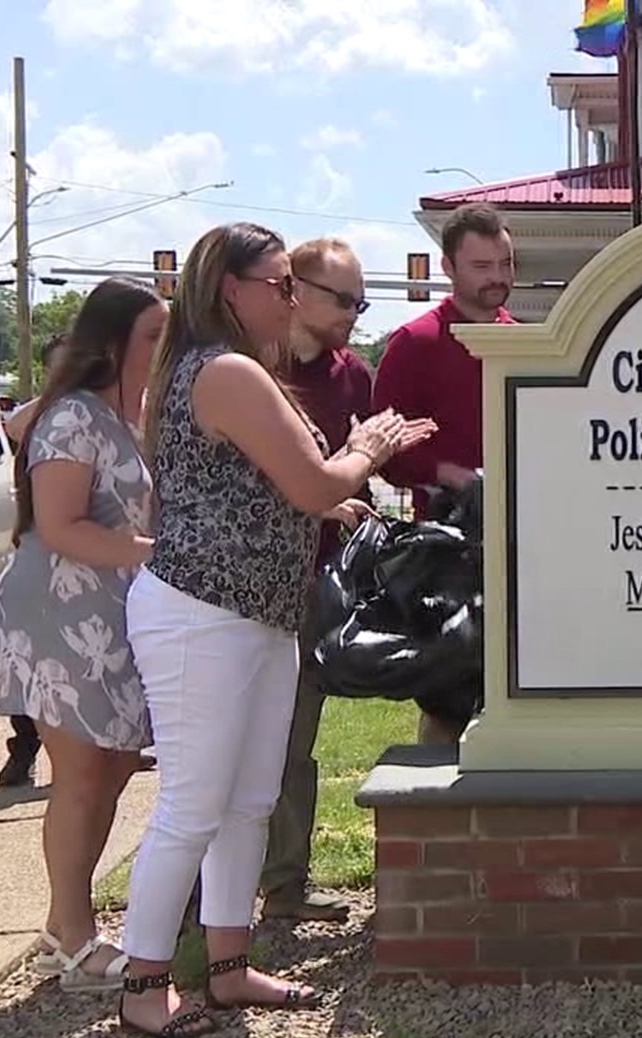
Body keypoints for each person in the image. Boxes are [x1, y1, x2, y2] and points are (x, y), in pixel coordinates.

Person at [117, 221, 434, 1038]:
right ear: (231, 287)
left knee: (248, 802)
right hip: (201, 614)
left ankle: (229, 967)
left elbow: (267, 489)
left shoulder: (234, 372)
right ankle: (145, 985)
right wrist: (366, 447)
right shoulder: (225, 371)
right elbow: (313, 478)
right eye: (279, 283)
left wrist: (331, 491)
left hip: (257, 612)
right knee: (192, 803)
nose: (290, 298)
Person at [0, 278, 167, 991]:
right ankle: (74, 936)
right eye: (154, 335)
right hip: (57, 611)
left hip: (116, 610)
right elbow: (60, 525)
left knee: (118, 766)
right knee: (82, 774)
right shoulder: (72, 418)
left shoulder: (139, 414)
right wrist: (157, 552)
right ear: (114, 342)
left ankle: (66, 924)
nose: (165, 347)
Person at [260, 236, 375, 924]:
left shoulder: (352, 376)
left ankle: (284, 888)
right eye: (343, 299)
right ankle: (195, 905)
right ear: (293, 289)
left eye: (361, 301)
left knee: (296, 739)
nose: (355, 314)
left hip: (315, 579)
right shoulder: (246, 371)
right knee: (228, 743)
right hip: (241, 584)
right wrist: (319, 494)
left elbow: (354, 461)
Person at [370, 200, 515, 744]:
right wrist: (450, 473)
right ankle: (436, 814)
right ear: (448, 268)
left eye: (505, 264)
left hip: (516, 548)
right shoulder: (416, 343)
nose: (497, 278)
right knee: (448, 702)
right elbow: (385, 448)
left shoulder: (524, 341)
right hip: (446, 553)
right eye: (483, 267)